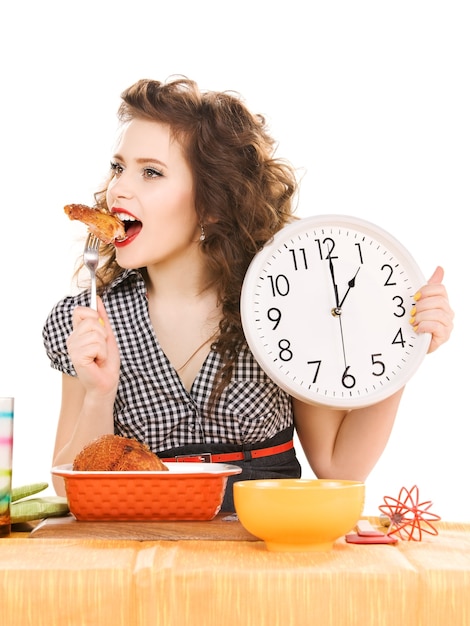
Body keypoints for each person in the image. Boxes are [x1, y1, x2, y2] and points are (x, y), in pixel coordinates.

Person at [43, 76, 454, 510]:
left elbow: (339, 465)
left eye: (150, 172)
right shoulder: (87, 317)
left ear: (213, 202)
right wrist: (98, 393)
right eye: (117, 166)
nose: (119, 189)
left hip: (264, 549)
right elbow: (70, 489)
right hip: (148, 550)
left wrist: (404, 353)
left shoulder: (282, 302)